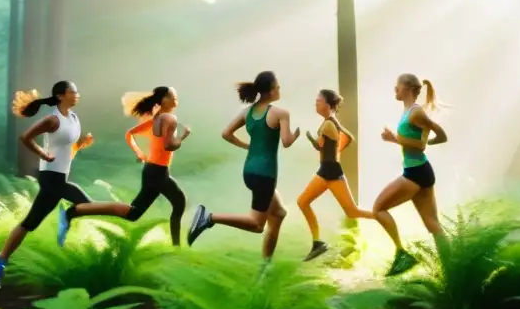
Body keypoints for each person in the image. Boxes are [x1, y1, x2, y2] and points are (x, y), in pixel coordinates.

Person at [0, 81, 94, 289]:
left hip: (60, 176)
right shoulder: (52, 119)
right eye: (74, 91)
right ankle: (68, 216)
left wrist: (81, 144)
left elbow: (67, 150)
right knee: (86, 203)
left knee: (30, 222)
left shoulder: (73, 118)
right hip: (50, 176)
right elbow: (26, 138)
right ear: (61, 96)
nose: (77, 94)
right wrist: (43, 153)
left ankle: (0, 260)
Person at [186, 71, 298, 261]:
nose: (279, 89)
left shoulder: (247, 112)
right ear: (270, 91)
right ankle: (209, 218)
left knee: (278, 213)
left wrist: (247, 145)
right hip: (265, 175)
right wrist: (295, 135)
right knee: (256, 225)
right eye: (277, 86)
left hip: (250, 171)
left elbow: (226, 133)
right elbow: (286, 142)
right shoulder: (280, 113)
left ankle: (266, 266)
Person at [59, 86, 190, 247]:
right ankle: (177, 247)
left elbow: (130, 134)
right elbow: (170, 146)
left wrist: (140, 154)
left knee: (134, 213)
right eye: (172, 96)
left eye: (175, 96)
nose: (175, 98)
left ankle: (75, 211)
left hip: (153, 170)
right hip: (158, 172)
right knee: (178, 203)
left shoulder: (157, 119)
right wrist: (183, 136)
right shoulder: (169, 119)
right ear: (162, 100)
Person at [372, 74, 448, 276]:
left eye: (397, 86)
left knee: (378, 209)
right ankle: (452, 267)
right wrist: (415, 138)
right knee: (433, 225)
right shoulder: (410, 111)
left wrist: (395, 139)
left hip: (416, 172)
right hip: (419, 170)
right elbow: (428, 136)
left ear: (407, 88)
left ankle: (402, 254)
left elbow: (433, 139)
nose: (394, 89)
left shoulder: (416, 113)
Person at [295, 89, 374, 262]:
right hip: (327, 169)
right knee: (303, 202)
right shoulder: (331, 122)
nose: (316, 104)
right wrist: (335, 151)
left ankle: (380, 215)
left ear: (328, 105)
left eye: (319, 101)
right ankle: (317, 243)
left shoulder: (328, 124)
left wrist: (311, 139)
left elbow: (319, 146)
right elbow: (349, 138)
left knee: (352, 211)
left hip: (329, 171)